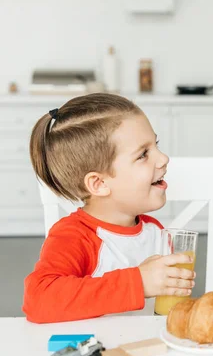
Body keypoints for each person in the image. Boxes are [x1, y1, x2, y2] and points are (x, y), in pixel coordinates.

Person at [23, 93, 195, 323]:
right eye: (143, 154)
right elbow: (38, 300)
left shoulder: (155, 232)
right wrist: (139, 283)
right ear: (99, 184)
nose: (163, 158)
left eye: (156, 145)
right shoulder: (73, 237)